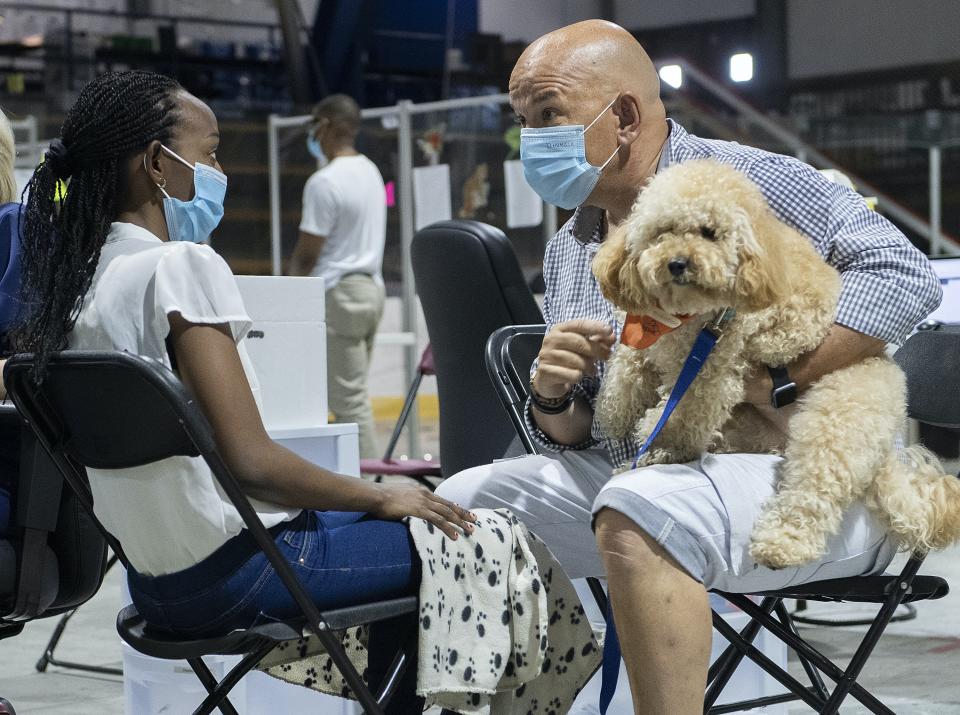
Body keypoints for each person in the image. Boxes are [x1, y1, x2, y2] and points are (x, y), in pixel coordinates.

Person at [434, 20, 942, 714]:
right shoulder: (571, 245)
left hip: (805, 466)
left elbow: (905, 274)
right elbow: (590, 433)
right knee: (461, 504)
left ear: (624, 117)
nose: (531, 142)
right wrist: (552, 396)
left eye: (548, 116)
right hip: (655, 463)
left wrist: (781, 380)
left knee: (639, 507)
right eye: (523, 122)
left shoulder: (754, 182)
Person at [14, 71, 474, 713]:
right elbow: (252, 464)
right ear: (156, 164)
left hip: (154, 588)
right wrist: (380, 493)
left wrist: (373, 503)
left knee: (389, 520)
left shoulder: (77, 292)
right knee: (465, 540)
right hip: (240, 573)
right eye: (209, 153)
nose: (217, 168)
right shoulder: (179, 266)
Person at [288, 94, 386, 460]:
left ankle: (371, 486)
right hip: (370, 292)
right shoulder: (370, 170)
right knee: (353, 394)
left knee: (349, 403)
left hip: (338, 294)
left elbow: (308, 253)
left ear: (325, 125)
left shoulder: (324, 181)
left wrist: (289, 298)